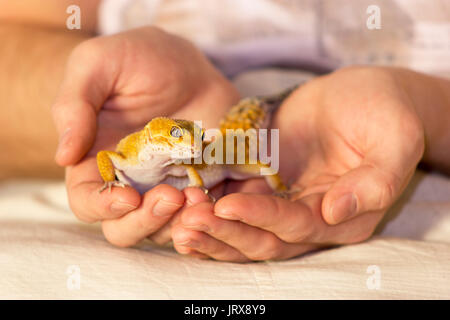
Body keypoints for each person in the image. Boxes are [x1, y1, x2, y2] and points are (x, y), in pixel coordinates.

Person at [1, 0, 449, 262]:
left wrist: (427, 111)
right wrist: (102, 104)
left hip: (275, 135)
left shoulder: (205, 153)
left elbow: (202, 166)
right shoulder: (142, 150)